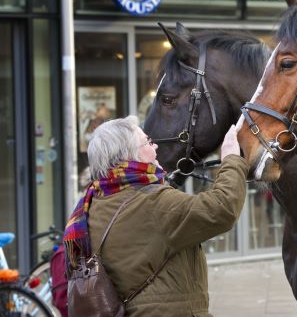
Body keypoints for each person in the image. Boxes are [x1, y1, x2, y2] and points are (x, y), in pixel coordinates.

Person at [63, 115, 251, 316]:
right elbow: (222, 208)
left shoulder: (91, 204)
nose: (156, 148)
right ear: (129, 155)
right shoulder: (154, 203)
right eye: (148, 142)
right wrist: (231, 159)